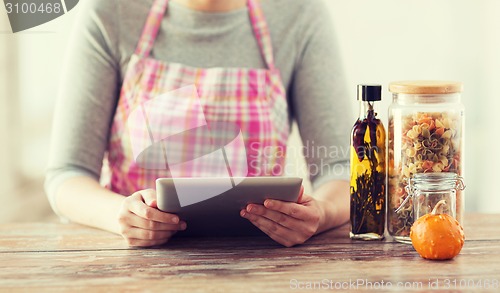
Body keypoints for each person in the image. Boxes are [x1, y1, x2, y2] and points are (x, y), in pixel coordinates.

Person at [45, 0, 352, 248]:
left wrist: (321, 213)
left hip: (260, 265)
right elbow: (68, 174)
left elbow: (339, 168)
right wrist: (119, 215)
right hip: (136, 268)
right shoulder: (111, 11)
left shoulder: (299, 14)